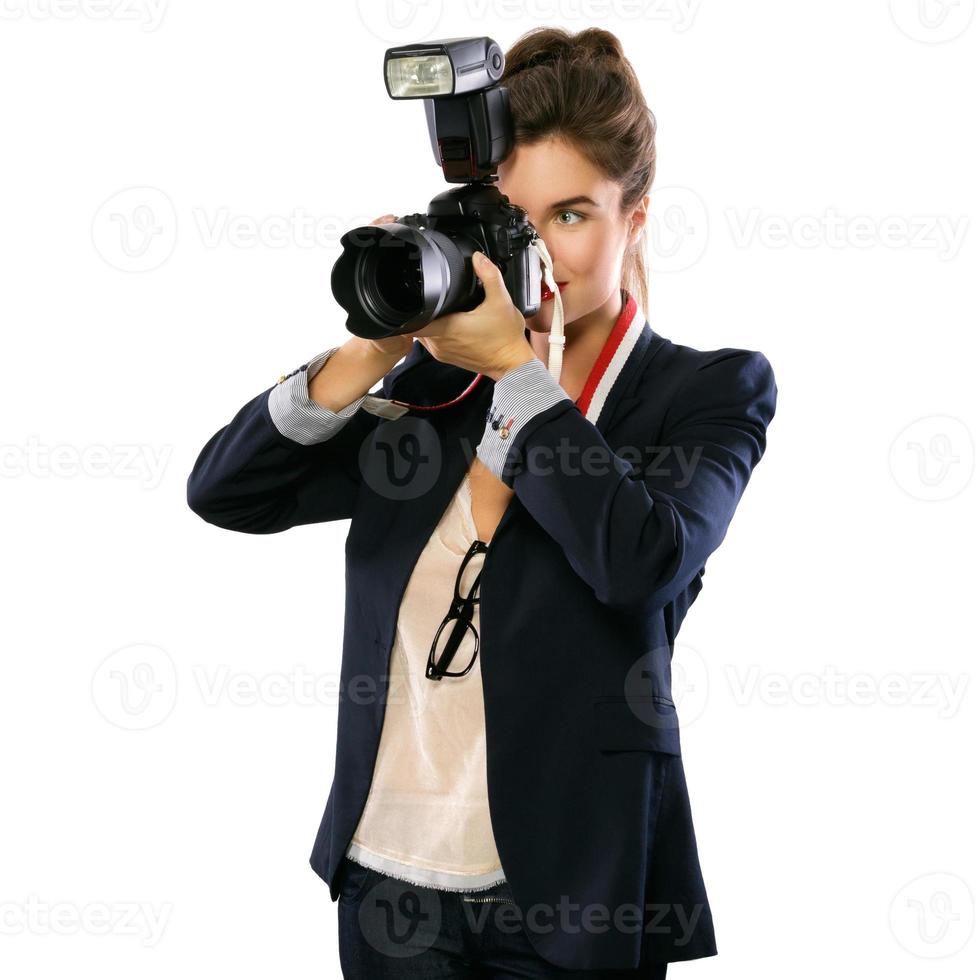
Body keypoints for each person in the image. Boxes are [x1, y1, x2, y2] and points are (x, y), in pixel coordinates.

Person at [187, 26, 777, 979]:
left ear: (638, 216)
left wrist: (517, 372)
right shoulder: (433, 389)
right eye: (515, 217)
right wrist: (373, 346)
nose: (542, 251)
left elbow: (640, 561)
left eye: (574, 213)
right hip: (388, 888)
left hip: (568, 895)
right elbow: (225, 490)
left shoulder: (705, 392)